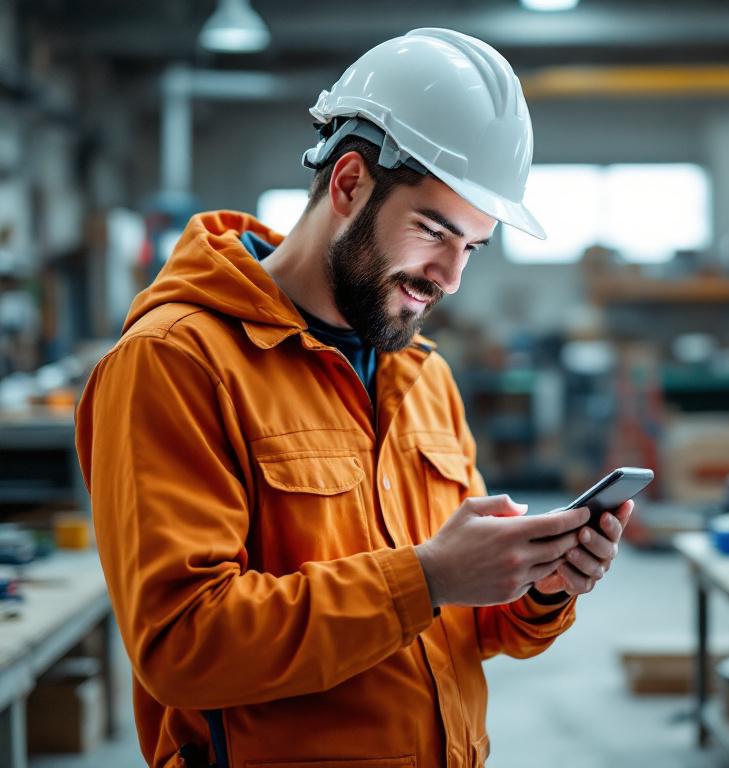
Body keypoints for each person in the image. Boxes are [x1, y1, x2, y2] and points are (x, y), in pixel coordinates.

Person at [75, 28, 632, 768]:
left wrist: (539, 588)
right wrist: (427, 577)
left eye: (471, 247)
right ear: (348, 185)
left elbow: (464, 623)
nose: (450, 277)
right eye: (434, 231)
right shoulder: (177, 362)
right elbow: (183, 645)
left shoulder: (421, 375)